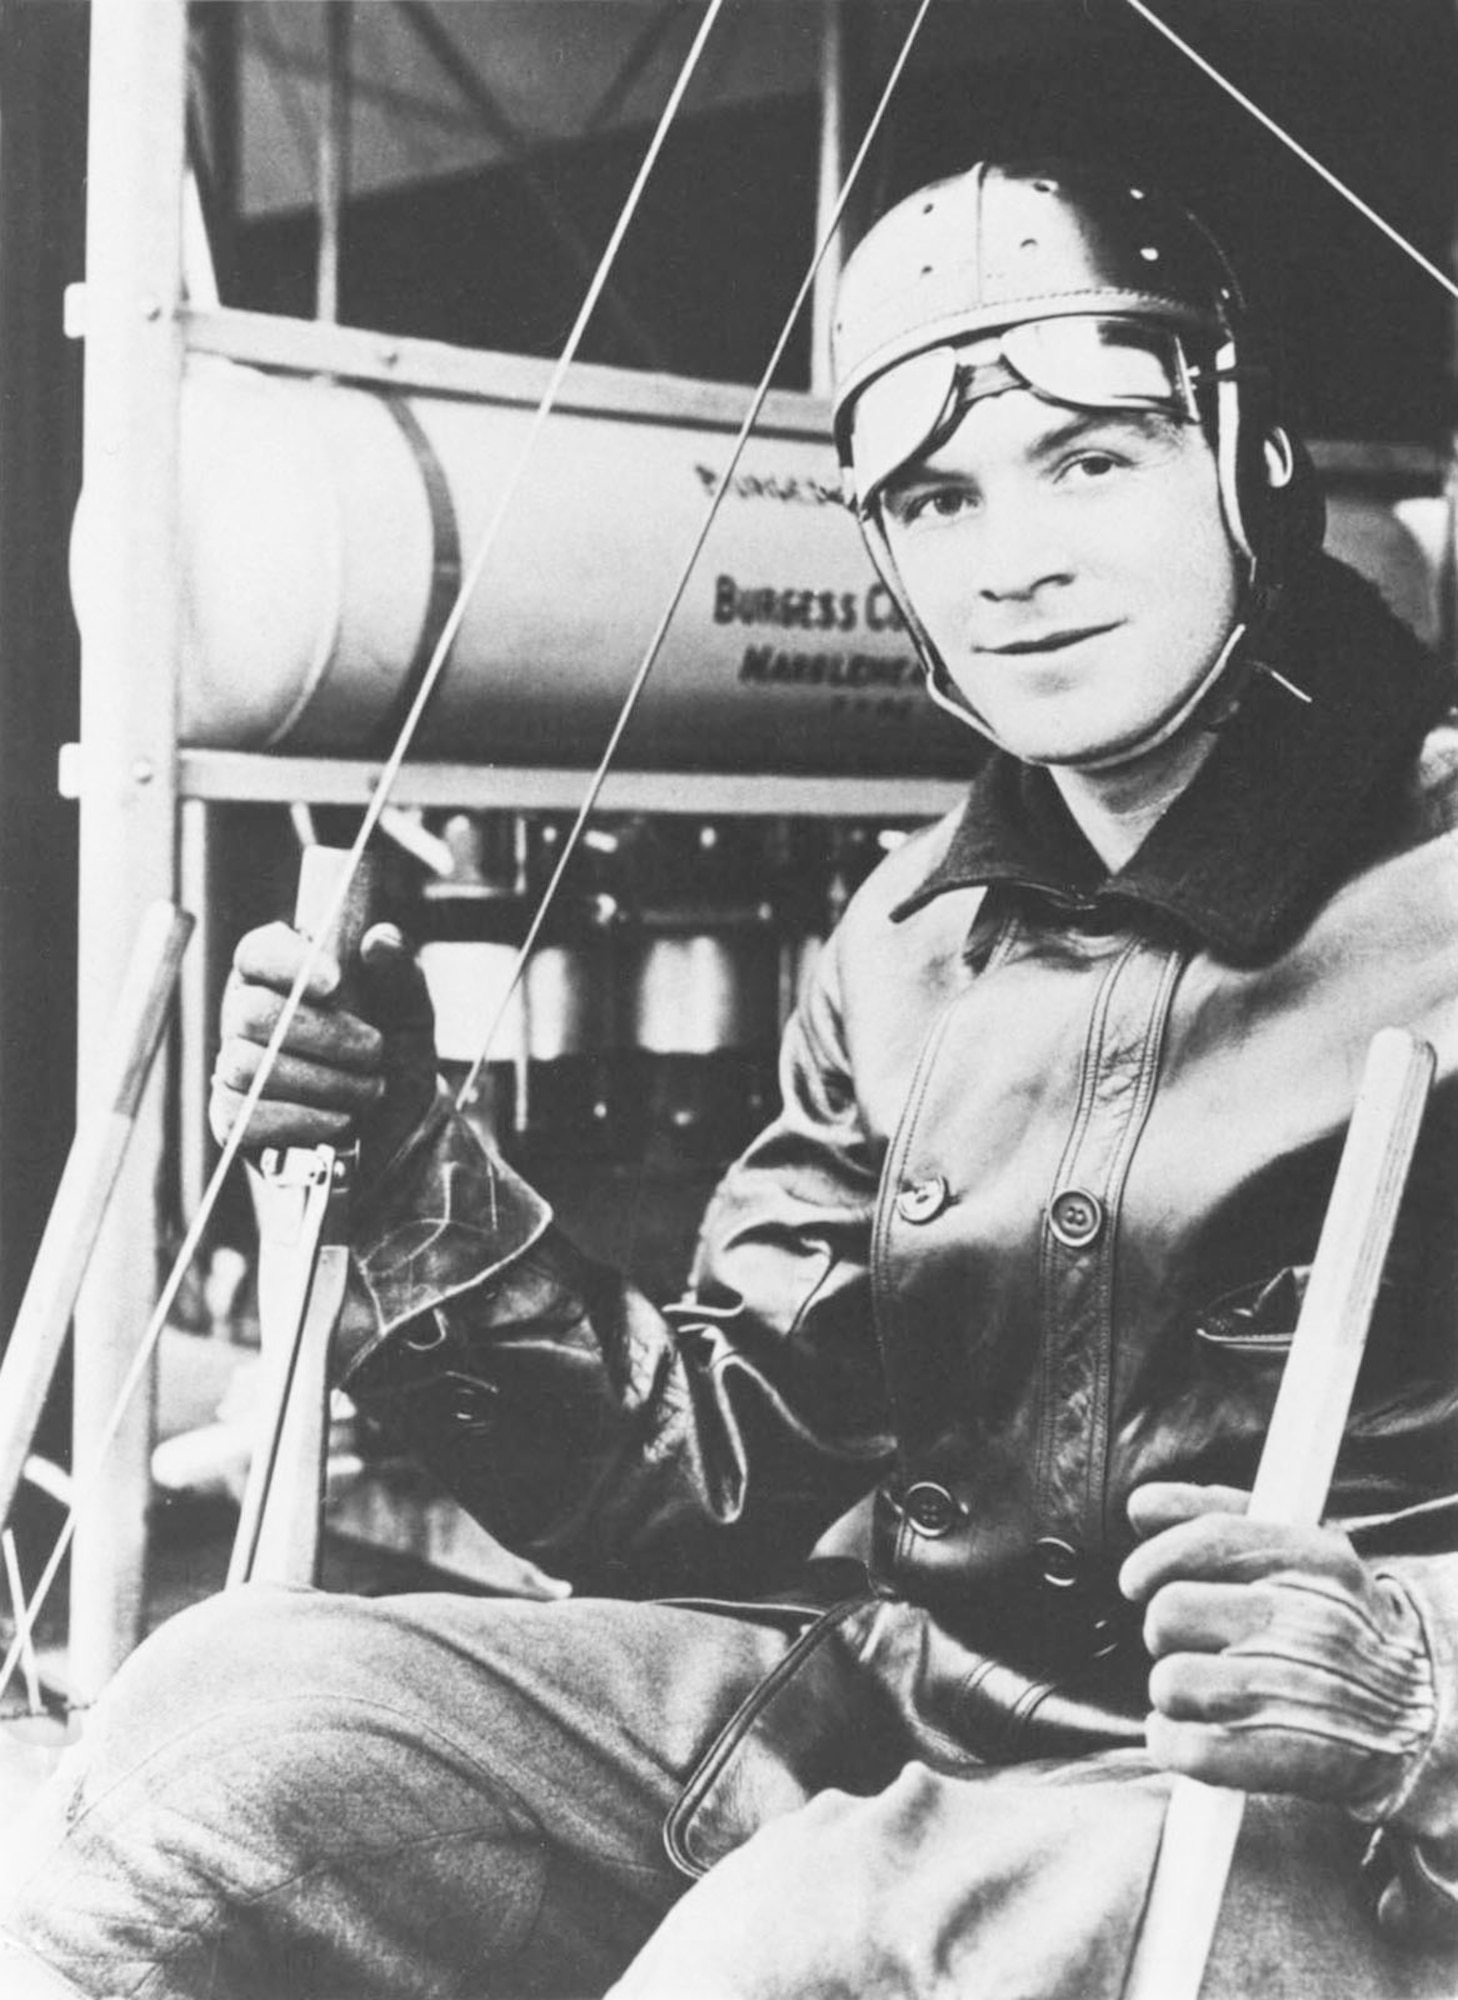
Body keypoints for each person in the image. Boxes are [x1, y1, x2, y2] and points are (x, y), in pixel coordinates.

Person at [4, 156, 1458, 2000]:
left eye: (1092, 459)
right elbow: (704, 1480)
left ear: (1248, 465)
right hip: (911, 1727)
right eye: (935, 499)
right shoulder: (905, 938)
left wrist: (1419, 1680)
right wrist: (402, 1175)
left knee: (795, 1946)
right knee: (213, 1739)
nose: (1012, 558)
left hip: (1322, 1832)